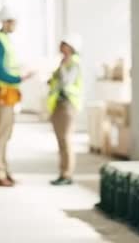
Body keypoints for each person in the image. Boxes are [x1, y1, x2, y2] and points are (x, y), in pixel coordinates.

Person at [0, 6, 33, 187]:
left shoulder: (5, 41)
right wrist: (20, 77)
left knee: (6, 134)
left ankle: (4, 170)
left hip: (9, 93)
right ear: (5, 22)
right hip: (1, 93)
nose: (15, 25)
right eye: (13, 22)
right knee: (0, 134)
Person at [47, 33, 83, 186]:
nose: (60, 46)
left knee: (65, 139)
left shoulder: (73, 63)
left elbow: (66, 81)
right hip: (58, 104)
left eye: (64, 44)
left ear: (71, 47)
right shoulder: (63, 62)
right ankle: (63, 173)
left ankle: (67, 174)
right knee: (61, 140)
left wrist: (61, 69)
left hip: (67, 104)